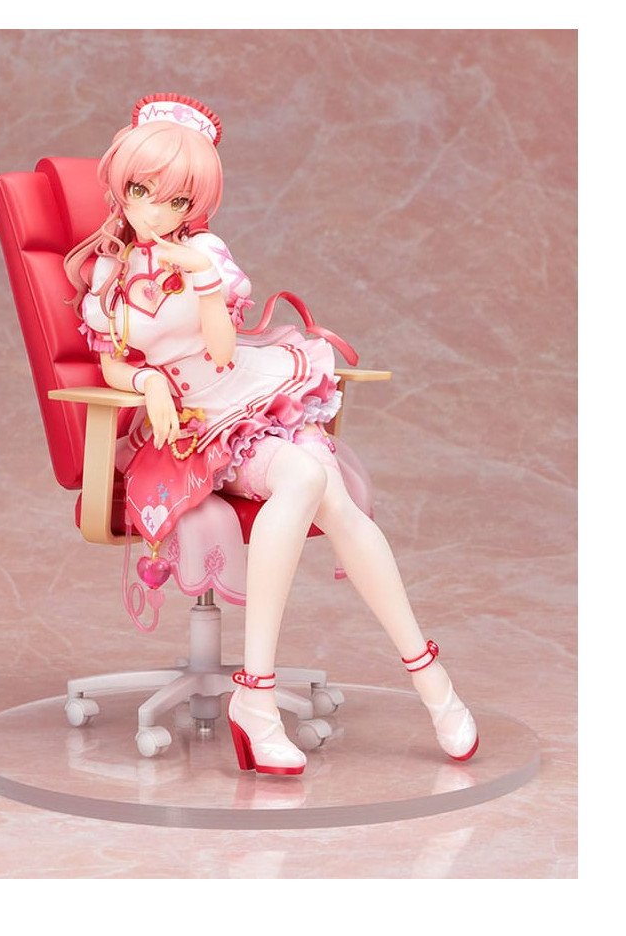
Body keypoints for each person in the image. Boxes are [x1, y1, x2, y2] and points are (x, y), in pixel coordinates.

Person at [64, 93, 478, 776]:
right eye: (141, 191)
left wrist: (202, 280)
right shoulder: (109, 273)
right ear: (121, 184)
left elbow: (222, 350)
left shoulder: (206, 253)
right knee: (318, 484)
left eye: (174, 200)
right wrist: (148, 383)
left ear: (194, 204)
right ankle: (426, 683)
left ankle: (266, 698)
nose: (154, 211)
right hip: (194, 428)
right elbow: (113, 361)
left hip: (252, 395)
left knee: (324, 491)